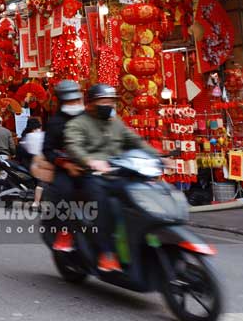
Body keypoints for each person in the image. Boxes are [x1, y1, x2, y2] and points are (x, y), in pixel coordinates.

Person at [65, 83, 158, 273]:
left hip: (119, 172)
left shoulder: (116, 122)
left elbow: (134, 140)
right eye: (103, 101)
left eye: (111, 101)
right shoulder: (77, 124)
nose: (108, 105)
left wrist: (158, 155)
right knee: (103, 205)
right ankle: (106, 253)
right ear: (90, 104)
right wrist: (90, 161)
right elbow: (73, 146)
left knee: (141, 197)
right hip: (93, 175)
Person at [41, 79, 84, 253]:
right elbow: (48, 150)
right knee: (65, 192)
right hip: (67, 169)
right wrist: (65, 163)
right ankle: (64, 232)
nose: (74, 103)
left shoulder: (88, 118)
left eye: (76, 100)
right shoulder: (55, 122)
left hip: (93, 165)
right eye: (69, 101)